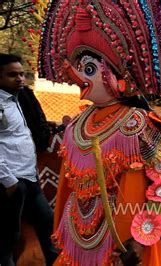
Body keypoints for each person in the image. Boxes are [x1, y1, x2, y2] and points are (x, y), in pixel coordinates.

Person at [37, 1, 161, 264]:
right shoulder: (76, 125)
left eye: (91, 69)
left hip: (125, 240)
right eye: (77, 68)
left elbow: (160, 182)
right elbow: (67, 187)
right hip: (76, 237)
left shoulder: (135, 122)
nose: (80, 77)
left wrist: (143, 236)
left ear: (119, 77)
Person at [0, 53, 58, 266]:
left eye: (22, 74)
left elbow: (22, 131)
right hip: (9, 182)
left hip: (30, 178)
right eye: (12, 75)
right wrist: (8, 181)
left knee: (48, 225)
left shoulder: (20, 99)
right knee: (7, 239)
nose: (19, 78)